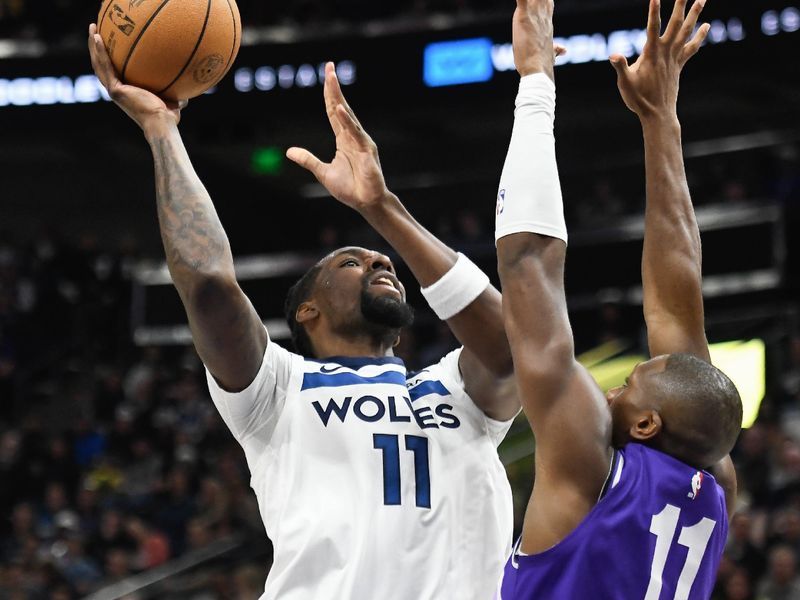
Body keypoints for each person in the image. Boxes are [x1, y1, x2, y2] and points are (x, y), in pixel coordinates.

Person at [87, 27, 519, 600]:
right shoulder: (277, 391)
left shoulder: (457, 392)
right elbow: (210, 287)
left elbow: (516, 348)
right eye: (350, 261)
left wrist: (381, 208)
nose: (377, 258)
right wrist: (162, 130)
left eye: (378, 256)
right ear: (308, 310)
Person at [493, 0, 742, 598]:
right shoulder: (714, 481)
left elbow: (529, 268)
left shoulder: (589, 458)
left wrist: (536, 86)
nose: (609, 391)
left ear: (649, 422)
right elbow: (677, 307)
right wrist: (660, 121)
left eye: (626, 387)